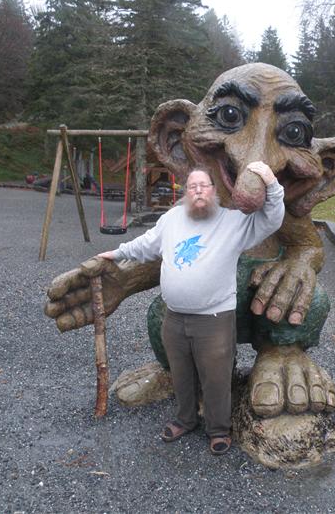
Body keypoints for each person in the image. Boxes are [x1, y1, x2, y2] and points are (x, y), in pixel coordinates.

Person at [98, 161, 284, 455]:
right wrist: (117, 253)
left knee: (216, 377)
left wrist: (272, 184)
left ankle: (218, 428)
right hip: (174, 317)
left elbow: (272, 219)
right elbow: (146, 245)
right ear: (185, 192)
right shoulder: (172, 219)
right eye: (192, 186)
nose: (198, 190)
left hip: (214, 318)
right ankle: (185, 419)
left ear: (214, 192)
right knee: (180, 372)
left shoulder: (232, 222)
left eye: (204, 186)